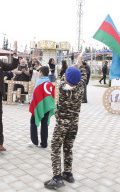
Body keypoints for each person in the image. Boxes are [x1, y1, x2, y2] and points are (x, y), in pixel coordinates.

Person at [44, 55, 87, 189]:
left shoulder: (62, 87)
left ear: (66, 79)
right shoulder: (81, 86)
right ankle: (68, 173)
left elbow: (65, 78)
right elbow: (83, 76)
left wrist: (75, 67)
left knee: (55, 148)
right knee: (68, 148)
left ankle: (57, 177)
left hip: (62, 124)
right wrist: (80, 64)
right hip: (74, 123)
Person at [29, 66, 55, 148]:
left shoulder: (40, 82)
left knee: (33, 121)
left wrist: (31, 104)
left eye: (39, 72)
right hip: (47, 107)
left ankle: (34, 141)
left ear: (41, 73)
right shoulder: (50, 83)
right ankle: (44, 143)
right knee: (44, 124)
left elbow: (35, 95)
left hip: (39, 106)